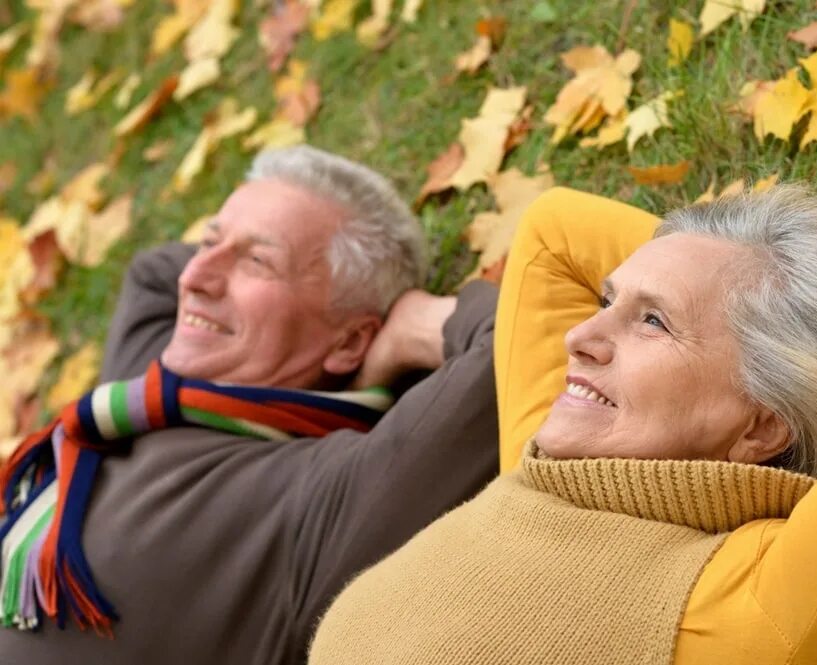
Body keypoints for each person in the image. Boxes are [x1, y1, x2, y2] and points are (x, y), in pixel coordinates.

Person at [309, 185, 817, 665]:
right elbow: (552, 233)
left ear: (762, 426)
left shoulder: (754, 611)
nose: (580, 334)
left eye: (651, 322)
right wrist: (728, 268)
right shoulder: (550, 453)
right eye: (610, 300)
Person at [0, 146, 500, 665]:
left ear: (351, 341)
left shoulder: (319, 501)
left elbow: (504, 364)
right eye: (211, 241)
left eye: (258, 263)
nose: (194, 279)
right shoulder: (152, 381)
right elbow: (154, 273)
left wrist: (410, 328)